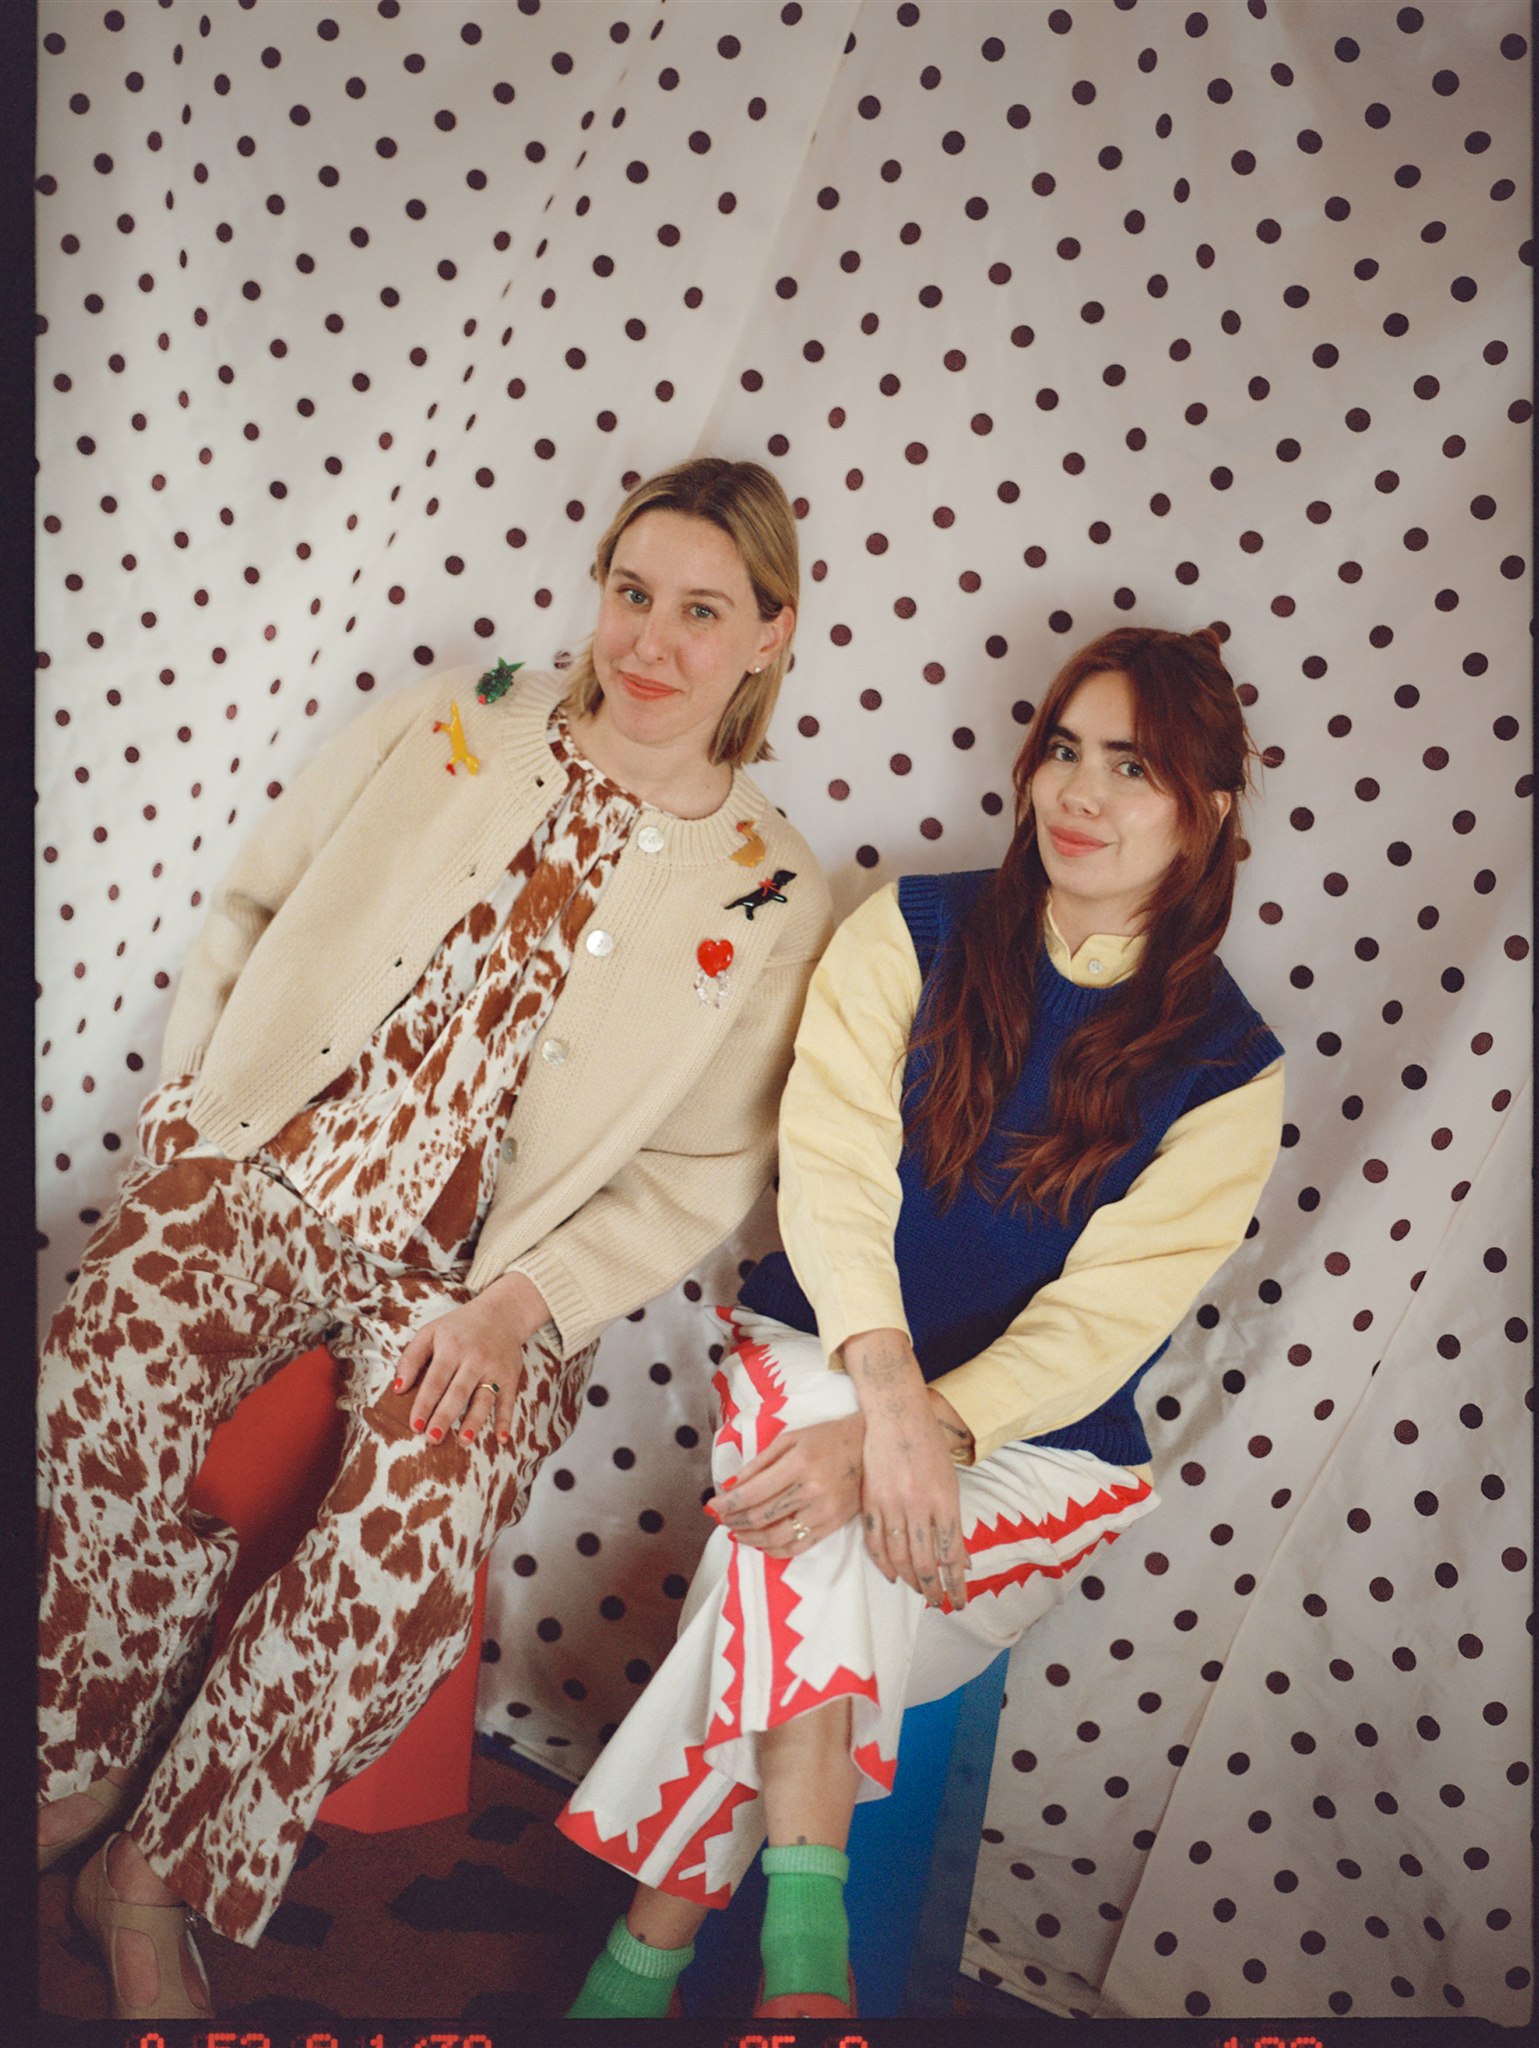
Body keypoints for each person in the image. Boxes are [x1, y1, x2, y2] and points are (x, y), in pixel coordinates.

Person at [36, 456, 834, 2020]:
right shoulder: (454, 718)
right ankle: (71, 1757)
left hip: (490, 1284)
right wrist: (193, 1119)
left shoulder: (773, 884)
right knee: (93, 1366)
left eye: (699, 612)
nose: (650, 646)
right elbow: (255, 904)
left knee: (414, 1517)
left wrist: (523, 1303)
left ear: (766, 635)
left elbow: (701, 1173)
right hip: (273, 1167)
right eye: (630, 596)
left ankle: (156, 1876)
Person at [557, 625, 1285, 2020]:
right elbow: (831, 1172)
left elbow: (1104, 1322)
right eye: (1063, 751)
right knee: (826, 1527)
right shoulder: (913, 928)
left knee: (793, 1555)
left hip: (1039, 1447)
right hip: (822, 1359)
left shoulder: (1231, 1067)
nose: (1078, 792)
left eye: (1130, 767)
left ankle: (639, 1964)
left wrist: (915, 1438)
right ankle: (802, 1967)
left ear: (1207, 811)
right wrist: (883, 1406)